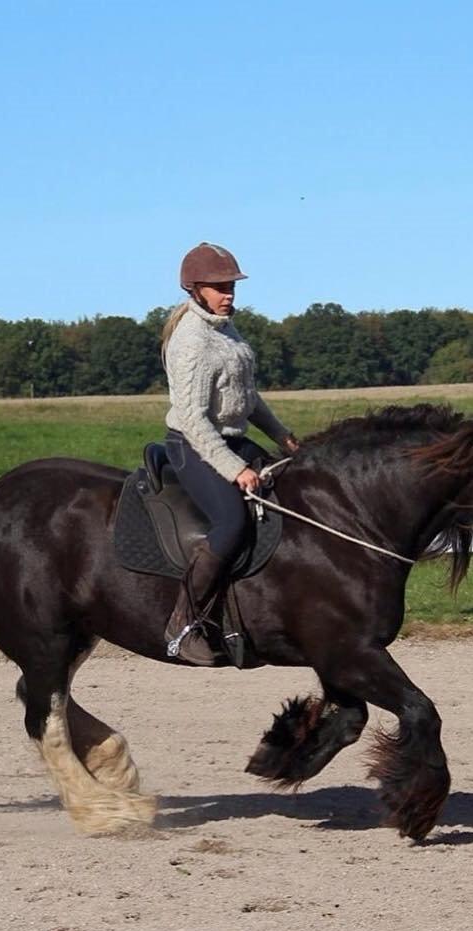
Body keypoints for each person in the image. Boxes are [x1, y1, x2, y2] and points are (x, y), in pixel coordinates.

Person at [161, 242, 300, 665]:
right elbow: (193, 419)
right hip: (194, 446)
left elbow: (247, 398)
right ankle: (183, 624)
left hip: (231, 441)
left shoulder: (226, 330)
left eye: (231, 286)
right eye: (220, 287)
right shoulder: (192, 341)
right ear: (196, 289)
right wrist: (234, 468)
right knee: (231, 523)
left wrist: (284, 438)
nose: (229, 294)